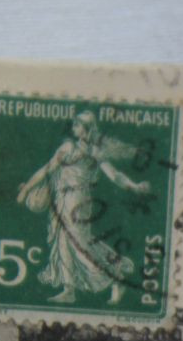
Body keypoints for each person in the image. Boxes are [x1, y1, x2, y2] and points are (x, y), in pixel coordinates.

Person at [16, 110, 153, 306]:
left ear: (88, 129)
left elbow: (114, 175)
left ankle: (115, 278)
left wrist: (134, 186)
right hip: (62, 199)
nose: (74, 128)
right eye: (74, 125)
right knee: (63, 241)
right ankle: (69, 289)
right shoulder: (67, 147)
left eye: (78, 125)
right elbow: (47, 169)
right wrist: (26, 188)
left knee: (80, 242)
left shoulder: (96, 152)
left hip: (79, 200)